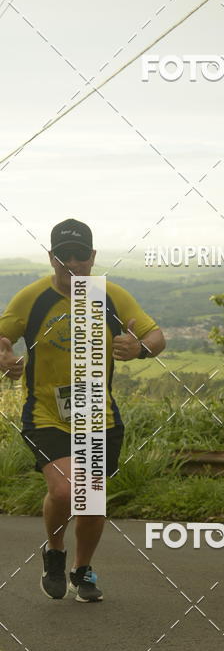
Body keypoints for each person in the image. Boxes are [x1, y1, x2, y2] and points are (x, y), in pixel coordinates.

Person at [0, 219, 166, 602]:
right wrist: (5, 358)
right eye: (63, 256)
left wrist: (140, 348)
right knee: (65, 489)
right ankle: (55, 550)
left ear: (92, 257)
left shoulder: (110, 297)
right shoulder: (33, 298)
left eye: (79, 255)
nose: (72, 264)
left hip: (98, 417)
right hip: (46, 415)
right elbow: (3, 336)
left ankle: (82, 570)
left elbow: (156, 337)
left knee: (91, 500)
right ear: (51, 257)